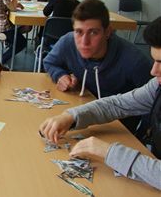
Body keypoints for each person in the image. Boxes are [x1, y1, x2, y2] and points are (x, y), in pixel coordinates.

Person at [39, 16, 161, 190]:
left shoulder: (134, 60)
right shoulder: (157, 86)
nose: (153, 70)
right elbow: (116, 104)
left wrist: (109, 152)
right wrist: (70, 116)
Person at [43, 0, 153, 132]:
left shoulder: (135, 61)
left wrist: (140, 135)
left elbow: (153, 104)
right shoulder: (68, 41)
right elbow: (49, 61)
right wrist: (60, 75)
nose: (84, 42)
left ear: (108, 32)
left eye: (93, 32)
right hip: (81, 112)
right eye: (79, 32)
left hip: (118, 127)